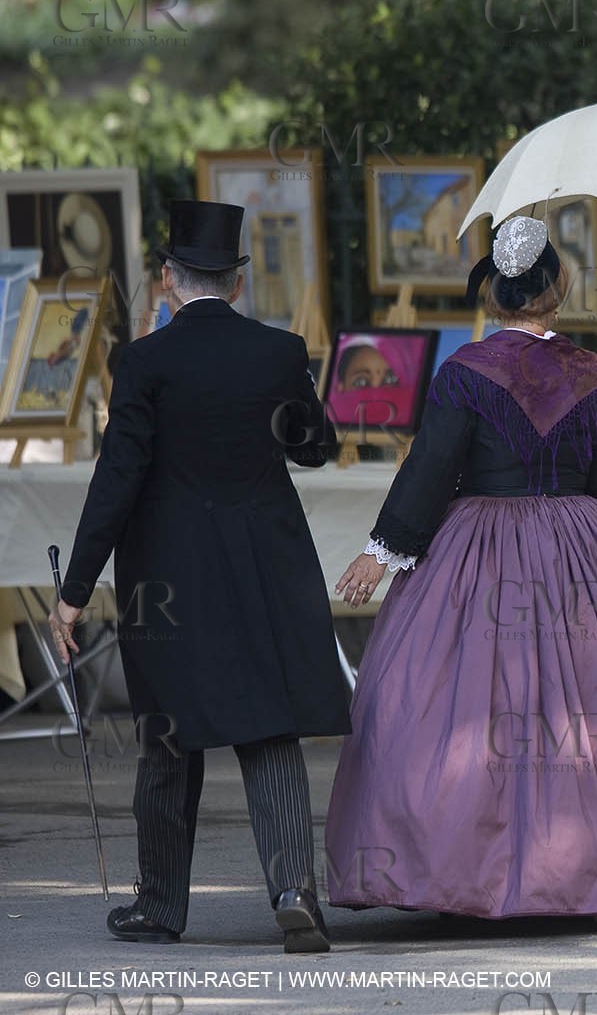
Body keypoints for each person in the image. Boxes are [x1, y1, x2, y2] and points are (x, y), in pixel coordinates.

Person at [323, 216, 597, 923]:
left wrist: (383, 547)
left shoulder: (464, 372)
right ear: (557, 288)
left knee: (452, 701)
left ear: (496, 294)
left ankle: (466, 873)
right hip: (584, 539)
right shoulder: (594, 375)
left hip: (478, 540)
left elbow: (431, 468)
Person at [48, 200, 346, 952]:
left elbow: (116, 481)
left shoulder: (145, 362)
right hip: (265, 569)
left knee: (169, 739)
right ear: (237, 283)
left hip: (170, 582)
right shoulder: (280, 352)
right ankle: (291, 888)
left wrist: (73, 591)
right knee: (269, 730)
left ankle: (158, 905)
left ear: (167, 281)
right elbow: (316, 448)